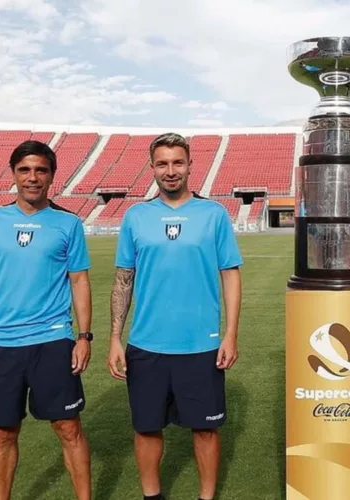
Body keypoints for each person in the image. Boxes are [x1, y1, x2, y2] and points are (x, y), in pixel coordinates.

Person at [0, 140, 93, 500]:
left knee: (68, 428)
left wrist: (84, 336)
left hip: (52, 342)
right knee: (3, 433)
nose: (33, 178)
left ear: (52, 176)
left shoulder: (68, 224)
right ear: (13, 173)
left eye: (41, 170)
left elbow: (79, 281)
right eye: (25, 170)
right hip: (0, 345)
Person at [108, 132, 243, 500]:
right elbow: (124, 278)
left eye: (177, 163)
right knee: (147, 428)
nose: (170, 171)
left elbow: (230, 273)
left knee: (205, 430)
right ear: (152, 167)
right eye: (162, 163)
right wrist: (115, 338)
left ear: (189, 165)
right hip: (146, 344)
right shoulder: (136, 217)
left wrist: (230, 334)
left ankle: (206, 496)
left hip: (201, 344)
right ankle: (152, 496)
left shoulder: (213, 214)